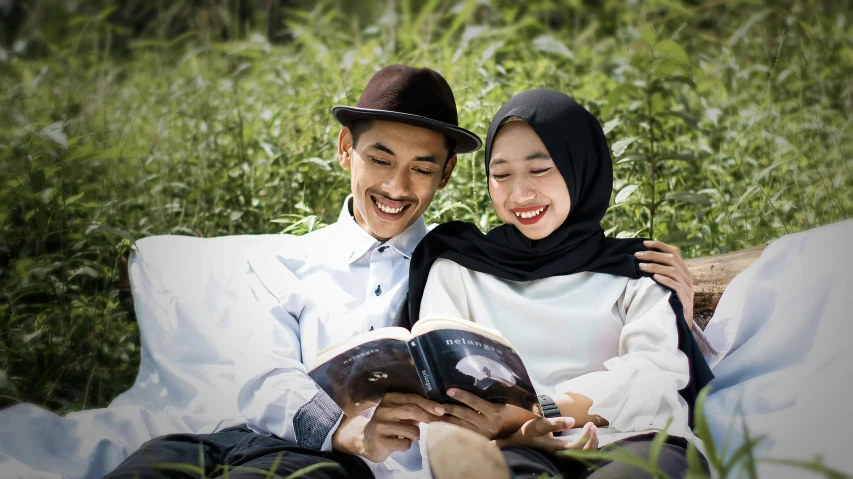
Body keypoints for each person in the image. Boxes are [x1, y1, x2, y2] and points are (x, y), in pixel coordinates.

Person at [104, 69, 697, 479]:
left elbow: (659, 367)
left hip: (336, 468)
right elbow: (256, 371)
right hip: (258, 438)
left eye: (421, 168)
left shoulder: (447, 256)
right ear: (345, 149)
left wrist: (680, 309)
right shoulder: (290, 262)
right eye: (379, 159)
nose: (394, 187)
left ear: (444, 178)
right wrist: (339, 429)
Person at [405, 89, 713, 478]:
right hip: (510, 446)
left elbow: (655, 380)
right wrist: (516, 432)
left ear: (580, 166)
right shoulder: (458, 268)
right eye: (501, 175)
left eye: (540, 169)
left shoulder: (635, 270)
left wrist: (543, 411)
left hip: (630, 441)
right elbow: (446, 386)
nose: (519, 193)